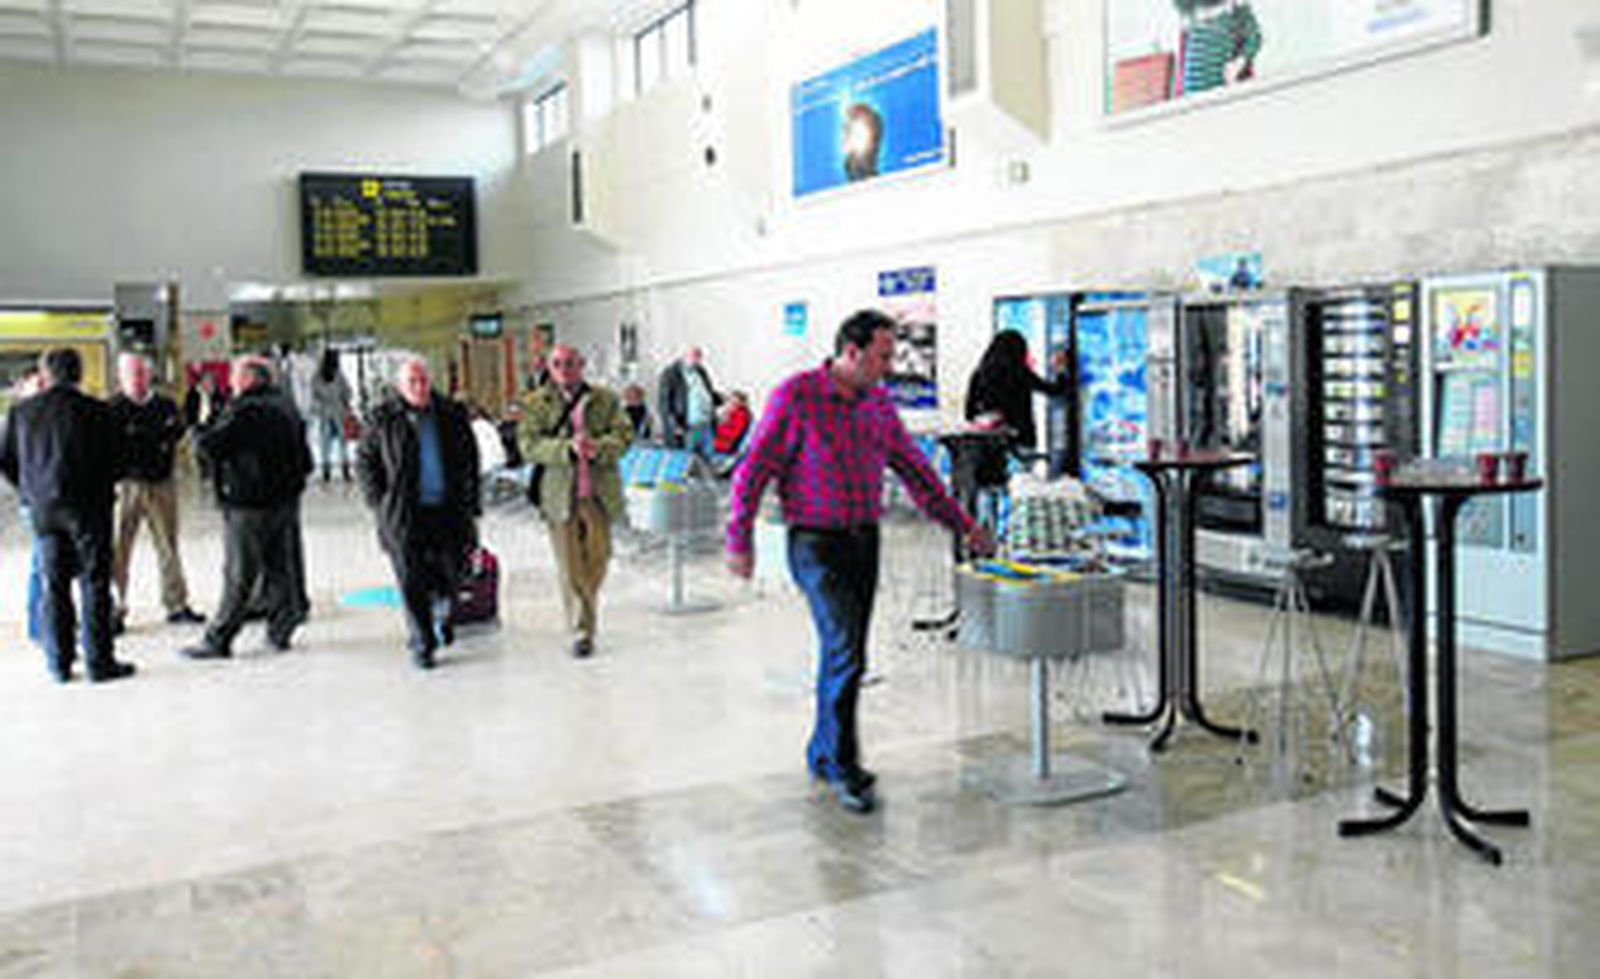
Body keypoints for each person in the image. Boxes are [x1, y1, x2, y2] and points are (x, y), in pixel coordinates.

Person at [726, 310, 993, 813]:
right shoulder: (796, 396)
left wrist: (964, 526)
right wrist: (739, 538)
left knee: (842, 651)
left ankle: (823, 751)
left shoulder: (877, 404)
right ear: (851, 352)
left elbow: (917, 471)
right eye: (883, 356)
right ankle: (846, 766)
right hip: (814, 544)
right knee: (847, 650)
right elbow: (753, 467)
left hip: (863, 541)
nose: (890, 367)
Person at [0, 348, 136, 683]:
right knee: (94, 582)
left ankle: (58, 663)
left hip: (44, 511)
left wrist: (31, 491)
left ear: (45, 375)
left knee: (54, 584)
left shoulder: (22, 412)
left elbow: (7, 461)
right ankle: (98, 663)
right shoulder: (99, 411)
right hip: (90, 508)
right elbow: (120, 460)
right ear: (79, 374)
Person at [180, 356, 312, 660]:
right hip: (284, 503)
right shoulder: (287, 407)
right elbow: (306, 460)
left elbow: (210, 446)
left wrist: (198, 429)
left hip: (249, 505)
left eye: (236, 376)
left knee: (239, 573)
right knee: (280, 568)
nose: (231, 382)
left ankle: (220, 637)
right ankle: (281, 630)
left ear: (251, 379)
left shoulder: (246, 410)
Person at [357, 359, 480, 670]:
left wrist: (473, 503)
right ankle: (421, 642)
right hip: (403, 514)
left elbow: (470, 460)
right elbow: (365, 462)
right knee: (411, 579)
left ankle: (441, 613)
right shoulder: (383, 418)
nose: (419, 387)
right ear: (400, 386)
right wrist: (379, 502)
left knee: (451, 573)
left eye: (423, 380)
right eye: (412, 382)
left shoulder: (451, 413)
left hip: (447, 511)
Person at [520, 345, 632, 658]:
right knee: (569, 566)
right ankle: (582, 630)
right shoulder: (535, 403)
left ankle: (584, 609)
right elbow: (529, 445)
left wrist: (597, 447)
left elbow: (624, 436)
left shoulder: (606, 400)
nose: (564, 369)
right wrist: (566, 449)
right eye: (557, 364)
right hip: (559, 496)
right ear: (549, 368)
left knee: (600, 557)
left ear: (581, 365)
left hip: (598, 494)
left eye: (570, 363)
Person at [108, 352, 205, 632]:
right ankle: (114, 608)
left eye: (141, 373)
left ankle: (176, 604)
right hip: (126, 486)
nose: (136, 379)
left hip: (161, 483)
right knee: (118, 549)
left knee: (168, 547)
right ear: (121, 377)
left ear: (149, 375)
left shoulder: (165, 405)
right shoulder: (112, 408)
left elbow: (177, 435)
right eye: (130, 374)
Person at [963, 332, 1071, 488]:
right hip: (1021, 440)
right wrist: (1060, 368)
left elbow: (969, 413)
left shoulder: (979, 374)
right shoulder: (1019, 372)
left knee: (991, 487)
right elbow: (1055, 390)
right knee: (1020, 486)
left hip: (989, 445)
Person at [656, 346, 721, 454]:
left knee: (709, 457)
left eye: (699, 357)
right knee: (687, 459)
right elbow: (664, 403)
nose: (697, 360)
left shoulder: (701, 371)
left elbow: (707, 392)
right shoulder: (671, 373)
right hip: (687, 426)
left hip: (706, 423)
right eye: (694, 356)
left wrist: (722, 399)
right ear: (684, 356)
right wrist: (673, 425)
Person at [309, 348, 353, 483]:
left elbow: (314, 394)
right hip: (339, 411)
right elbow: (348, 391)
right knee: (342, 442)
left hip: (324, 412)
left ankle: (326, 470)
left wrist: (319, 406)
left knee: (325, 443)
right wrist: (345, 402)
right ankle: (345, 468)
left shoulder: (317, 376)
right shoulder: (339, 374)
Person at [712, 390, 751, 457]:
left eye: (734, 403)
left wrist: (717, 427)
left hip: (723, 445)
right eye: (729, 402)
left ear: (741, 404)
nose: (730, 405)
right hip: (719, 441)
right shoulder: (733, 414)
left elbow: (733, 434)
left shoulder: (741, 416)